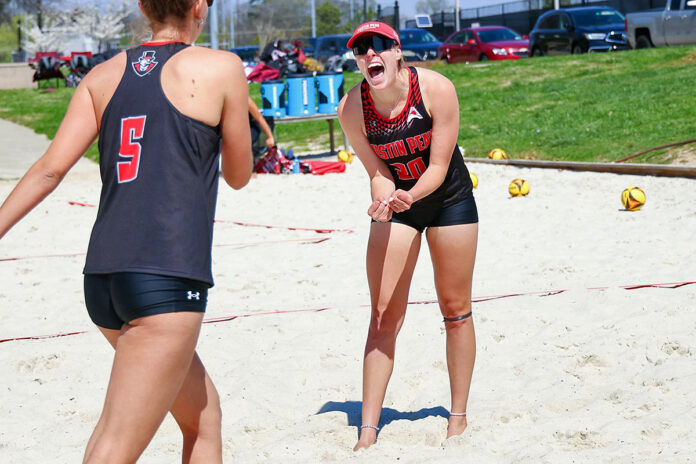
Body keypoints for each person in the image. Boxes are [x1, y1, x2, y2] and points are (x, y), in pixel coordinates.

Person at [0, 0, 251, 462]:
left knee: (202, 418)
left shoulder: (102, 75)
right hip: (166, 276)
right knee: (116, 446)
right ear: (199, 7)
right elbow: (239, 174)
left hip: (104, 279)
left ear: (142, 6)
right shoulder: (221, 67)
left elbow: (50, 170)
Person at [337, 21, 478, 451]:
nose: (370, 55)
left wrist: (407, 196)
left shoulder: (437, 89)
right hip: (399, 204)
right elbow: (377, 171)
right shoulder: (352, 108)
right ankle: (367, 432)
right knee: (382, 316)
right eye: (362, 49)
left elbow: (437, 168)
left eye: (380, 45)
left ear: (398, 53)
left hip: (449, 199)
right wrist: (383, 200)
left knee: (455, 308)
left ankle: (457, 418)